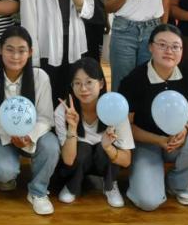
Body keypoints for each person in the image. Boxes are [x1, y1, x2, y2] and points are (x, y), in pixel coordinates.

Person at [121, 24, 188, 210]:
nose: (169, 51)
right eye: (162, 45)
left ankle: (178, 184)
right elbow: (126, 127)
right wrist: (158, 140)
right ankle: (146, 180)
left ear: (182, 50)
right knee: (148, 202)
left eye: (175, 46)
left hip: (178, 141)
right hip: (146, 143)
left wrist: (186, 129)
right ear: (150, 47)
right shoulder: (134, 80)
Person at [0, 26, 59, 215]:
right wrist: (10, 133)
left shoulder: (40, 77)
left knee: (51, 147)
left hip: (32, 133)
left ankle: (38, 192)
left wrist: (28, 136)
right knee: (3, 173)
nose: (15, 56)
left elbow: (46, 117)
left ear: (30, 52)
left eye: (22, 50)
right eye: (9, 49)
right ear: (0, 50)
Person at [53, 58, 131, 207]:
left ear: (101, 83)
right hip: (79, 162)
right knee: (82, 148)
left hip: (105, 160)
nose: (83, 88)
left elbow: (126, 160)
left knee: (103, 148)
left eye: (89, 82)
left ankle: (110, 184)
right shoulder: (63, 111)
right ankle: (73, 185)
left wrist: (108, 147)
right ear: (72, 86)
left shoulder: (116, 108)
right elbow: (68, 160)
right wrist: (72, 128)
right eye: (77, 83)